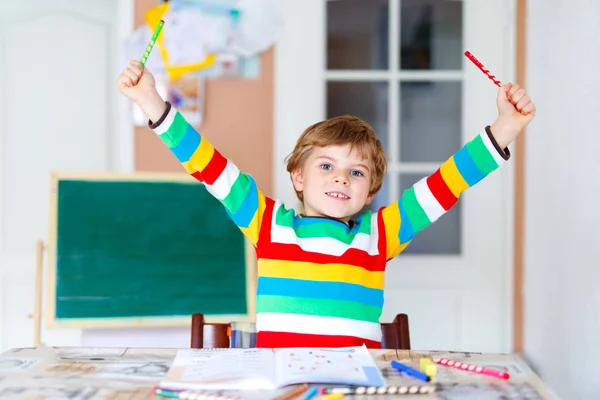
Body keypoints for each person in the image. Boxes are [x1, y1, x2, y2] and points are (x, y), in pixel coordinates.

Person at [118, 60, 535, 348]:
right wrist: (151, 102)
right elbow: (209, 165)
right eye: (327, 166)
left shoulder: (381, 233)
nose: (341, 177)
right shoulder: (268, 224)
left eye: (357, 172)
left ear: (370, 191)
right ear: (298, 177)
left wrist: (505, 127)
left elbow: (447, 182)